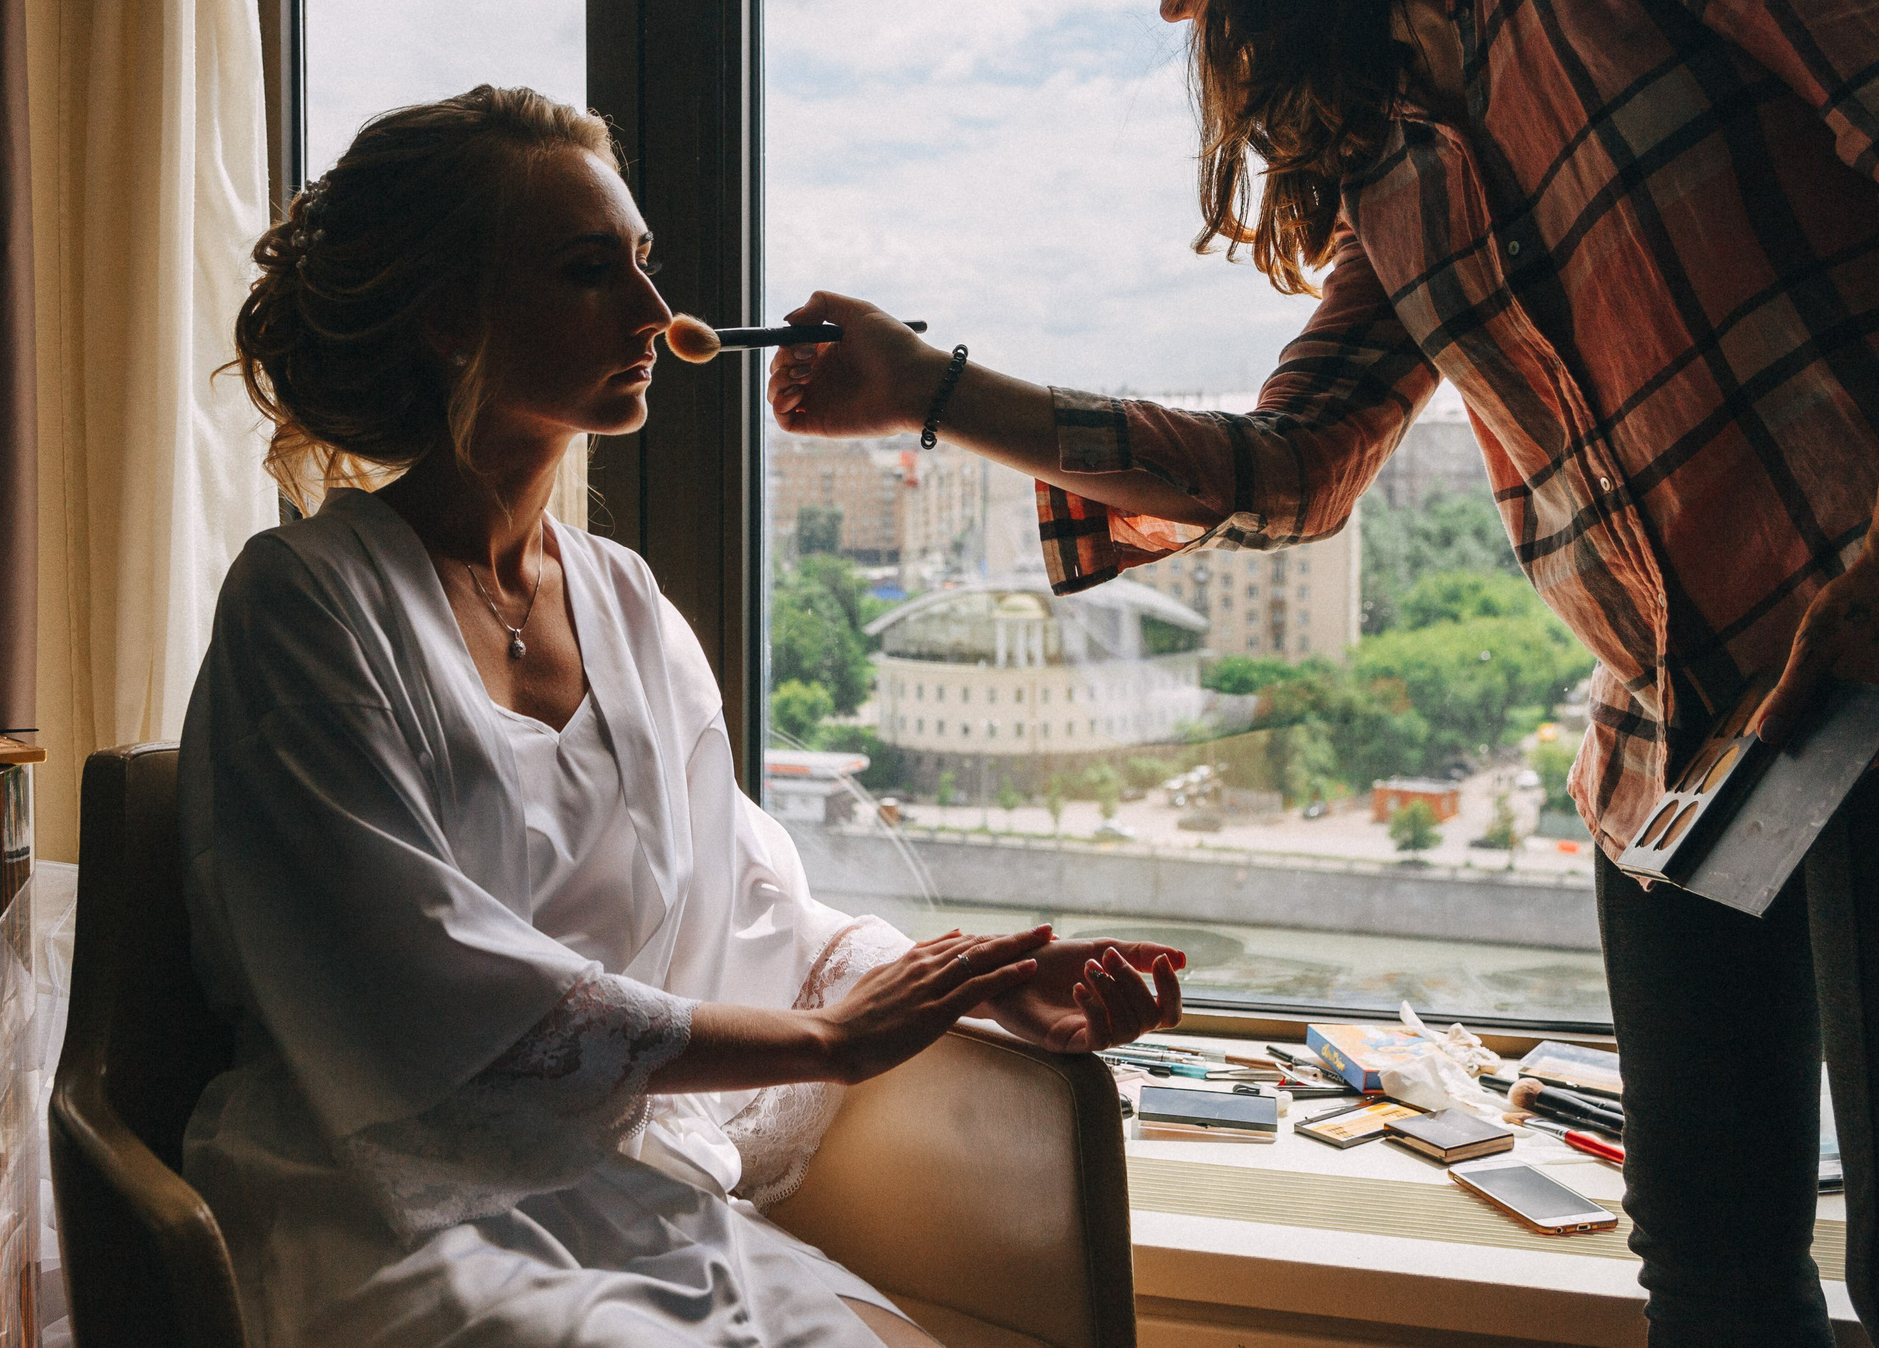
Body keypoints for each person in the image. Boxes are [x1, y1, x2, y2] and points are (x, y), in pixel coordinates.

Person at [771, 0, 1879, 1347]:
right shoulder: (1399, 161)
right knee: (1712, 1271)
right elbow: (1294, 464)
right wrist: (932, 389)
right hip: (1682, 753)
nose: (1170, 1)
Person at [178, 84, 1189, 1348]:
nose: (659, 315)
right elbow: (408, 988)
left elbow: (747, 907)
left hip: (627, 1200)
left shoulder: (627, 602)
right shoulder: (309, 603)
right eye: (591, 272)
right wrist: (825, 1042)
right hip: (390, 1211)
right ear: (448, 316)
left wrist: (984, 987)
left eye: (647, 266)